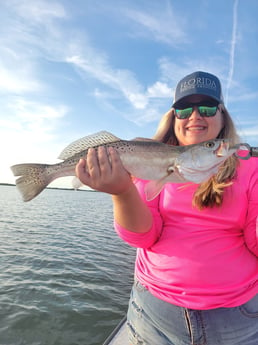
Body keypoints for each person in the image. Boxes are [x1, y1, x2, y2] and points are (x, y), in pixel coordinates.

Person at [75, 71, 258, 345]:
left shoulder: (251, 168)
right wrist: (122, 192)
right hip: (155, 313)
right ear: (174, 119)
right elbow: (143, 237)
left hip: (235, 317)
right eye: (184, 109)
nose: (196, 116)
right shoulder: (149, 162)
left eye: (207, 107)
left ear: (223, 117)